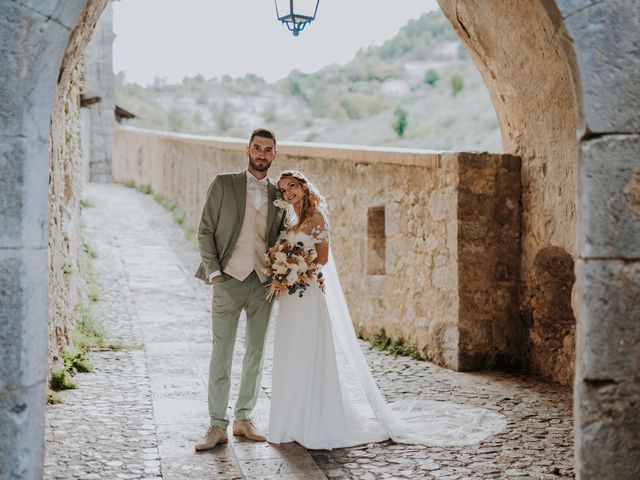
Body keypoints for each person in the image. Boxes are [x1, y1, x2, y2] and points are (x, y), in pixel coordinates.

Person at [268, 170, 507, 450]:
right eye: (283, 190)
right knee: (291, 352)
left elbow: (322, 258)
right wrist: (282, 271)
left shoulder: (317, 217)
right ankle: (291, 419)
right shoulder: (290, 220)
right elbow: (285, 252)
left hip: (308, 295)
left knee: (310, 351)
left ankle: (316, 418)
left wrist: (297, 270)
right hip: (290, 299)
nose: (288, 193)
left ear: (303, 187)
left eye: (292, 186)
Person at [194, 128, 286, 451]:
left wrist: (280, 274)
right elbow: (205, 231)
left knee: (256, 352)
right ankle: (217, 425)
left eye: (268, 150)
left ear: (275, 155)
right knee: (222, 352)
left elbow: (282, 240)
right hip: (228, 280)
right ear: (247, 150)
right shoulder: (223, 184)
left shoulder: (280, 195)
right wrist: (215, 272)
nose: (262, 154)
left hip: (263, 284)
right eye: (257, 148)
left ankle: (244, 418)